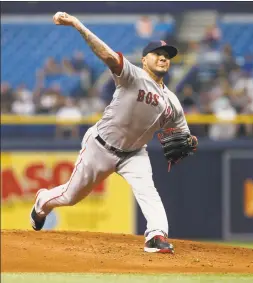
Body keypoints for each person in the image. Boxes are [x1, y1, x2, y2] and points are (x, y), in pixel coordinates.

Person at [30, 12, 198, 254]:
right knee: (70, 196)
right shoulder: (132, 77)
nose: (163, 58)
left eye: (167, 56)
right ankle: (43, 201)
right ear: (143, 60)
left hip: (134, 153)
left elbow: (183, 133)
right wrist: (78, 24)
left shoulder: (173, 102)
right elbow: (107, 54)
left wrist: (191, 141)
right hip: (100, 146)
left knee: (148, 190)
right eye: (158, 54)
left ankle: (156, 236)